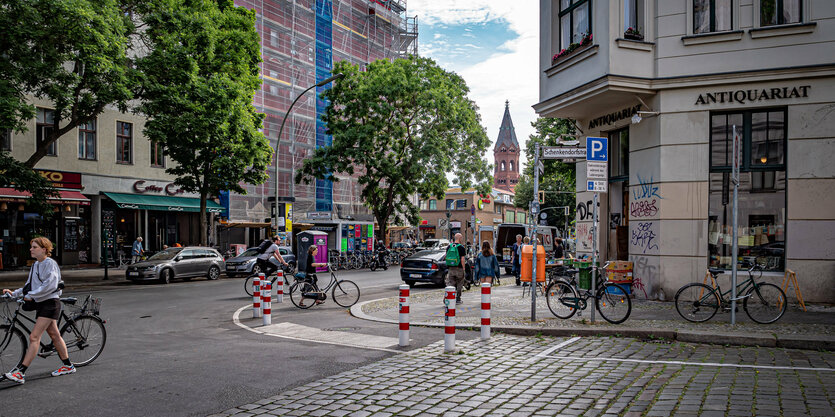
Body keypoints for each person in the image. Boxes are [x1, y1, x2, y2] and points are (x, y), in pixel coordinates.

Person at [2, 237, 74, 384]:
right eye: (31, 247)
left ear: (44, 249)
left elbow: (49, 285)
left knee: (34, 337)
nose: (31, 249)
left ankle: (20, 373)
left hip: (50, 303)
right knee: (54, 334)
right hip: (41, 303)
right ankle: (68, 365)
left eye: (34, 247)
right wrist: (14, 293)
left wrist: (31, 296)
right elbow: (29, 286)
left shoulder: (50, 264)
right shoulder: (35, 265)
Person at [445, 233, 468, 304]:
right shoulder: (461, 247)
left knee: (450, 283)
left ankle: (447, 297)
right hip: (459, 268)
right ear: (460, 238)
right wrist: (463, 268)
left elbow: (446, 257)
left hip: (451, 268)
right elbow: (462, 259)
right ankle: (458, 299)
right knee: (459, 284)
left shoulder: (449, 246)